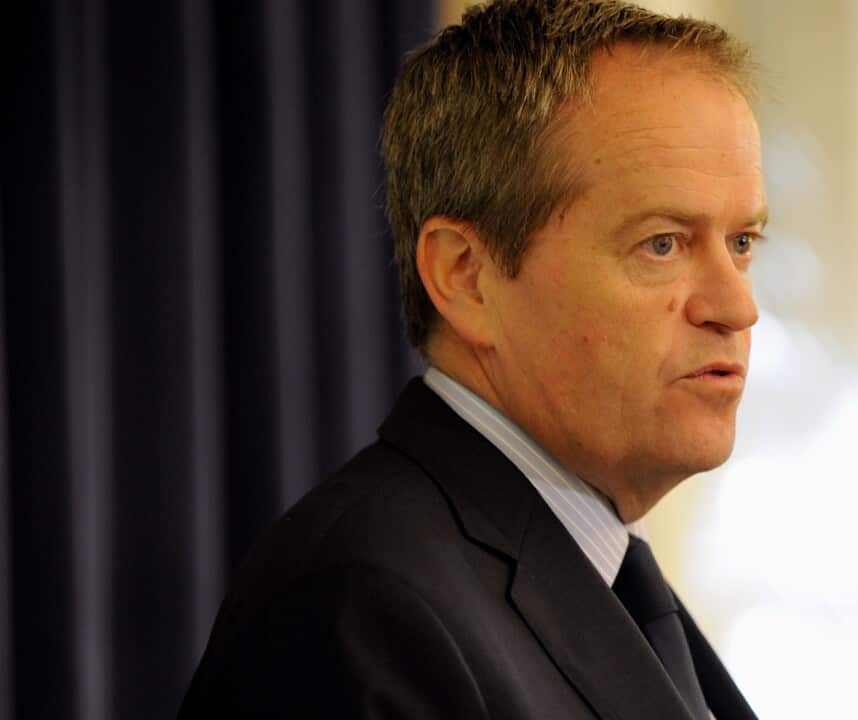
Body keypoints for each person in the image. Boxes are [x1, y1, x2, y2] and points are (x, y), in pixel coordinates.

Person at [178, 0, 765, 717]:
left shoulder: (606, 572)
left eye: (742, 243)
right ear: (466, 276)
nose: (737, 307)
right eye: (662, 244)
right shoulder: (361, 608)